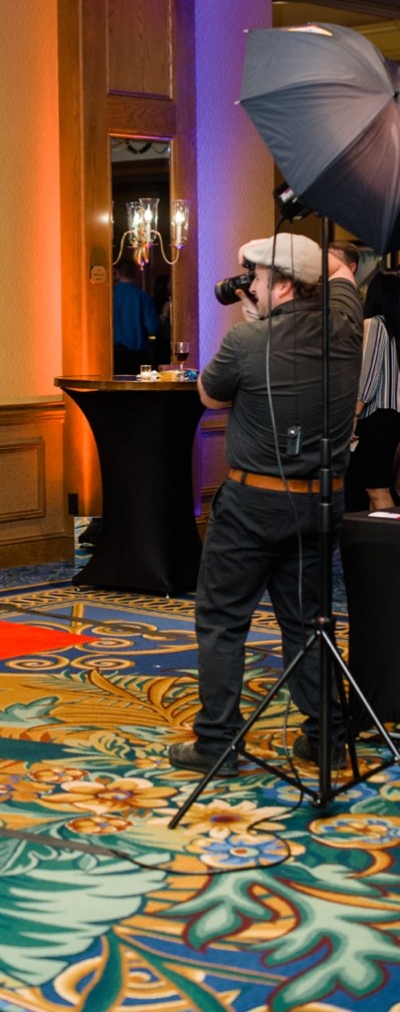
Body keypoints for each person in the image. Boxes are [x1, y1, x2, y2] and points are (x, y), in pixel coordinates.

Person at [168, 232, 362, 777]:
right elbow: (342, 281)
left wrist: (253, 321)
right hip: (322, 503)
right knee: (308, 621)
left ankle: (217, 743)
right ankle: (325, 737)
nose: (246, 286)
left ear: (280, 285)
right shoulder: (347, 327)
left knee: (224, 619)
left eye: (255, 277)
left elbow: (209, 394)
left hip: (253, 504)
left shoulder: (247, 343)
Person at [352, 270, 400, 510]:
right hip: (395, 415)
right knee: (382, 485)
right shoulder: (395, 328)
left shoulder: (375, 324)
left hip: (378, 416)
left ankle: (390, 544)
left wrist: (354, 415)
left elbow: (368, 377)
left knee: (376, 487)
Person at [112, 257, 161, 374]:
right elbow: (153, 327)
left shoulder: (110, 295)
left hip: (113, 356)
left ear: (117, 273)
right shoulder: (142, 296)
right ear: (135, 274)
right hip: (137, 357)